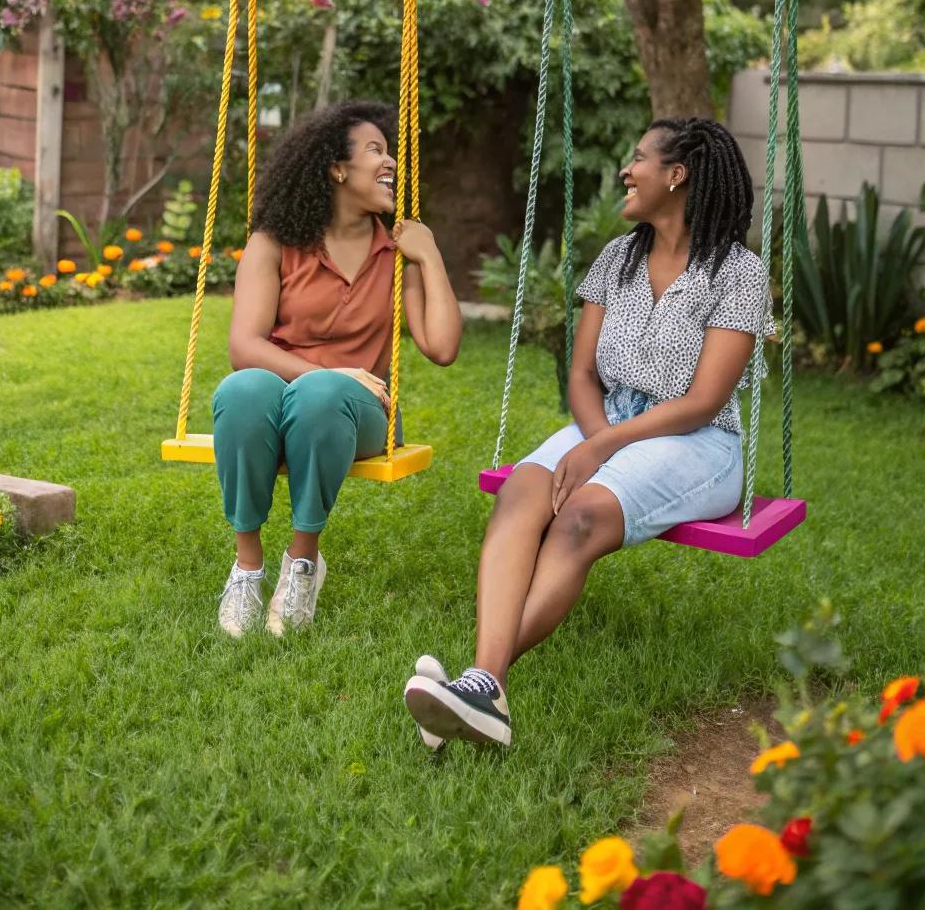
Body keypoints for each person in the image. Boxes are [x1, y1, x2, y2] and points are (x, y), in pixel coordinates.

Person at [405, 116, 773, 748]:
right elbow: (580, 374)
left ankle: (477, 683)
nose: (626, 172)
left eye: (638, 160)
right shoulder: (617, 259)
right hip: (605, 419)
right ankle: (479, 694)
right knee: (523, 490)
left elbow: (704, 399)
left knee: (578, 518)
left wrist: (602, 448)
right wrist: (600, 434)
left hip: (699, 440)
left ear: (677, 175)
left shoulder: (739, 273)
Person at [213, 100, 461, 639]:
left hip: (360, 414)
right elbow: (244, 345)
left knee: (323, 394)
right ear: (336, 168)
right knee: (243, 388)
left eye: (389, 150)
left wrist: (430, 253)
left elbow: (441, 347)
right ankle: (248, 568)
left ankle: (303, 563)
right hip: (280, 401)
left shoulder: (395, 253)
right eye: (375, 150)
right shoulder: (273, 243)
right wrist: (323, 372)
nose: (389, 160)